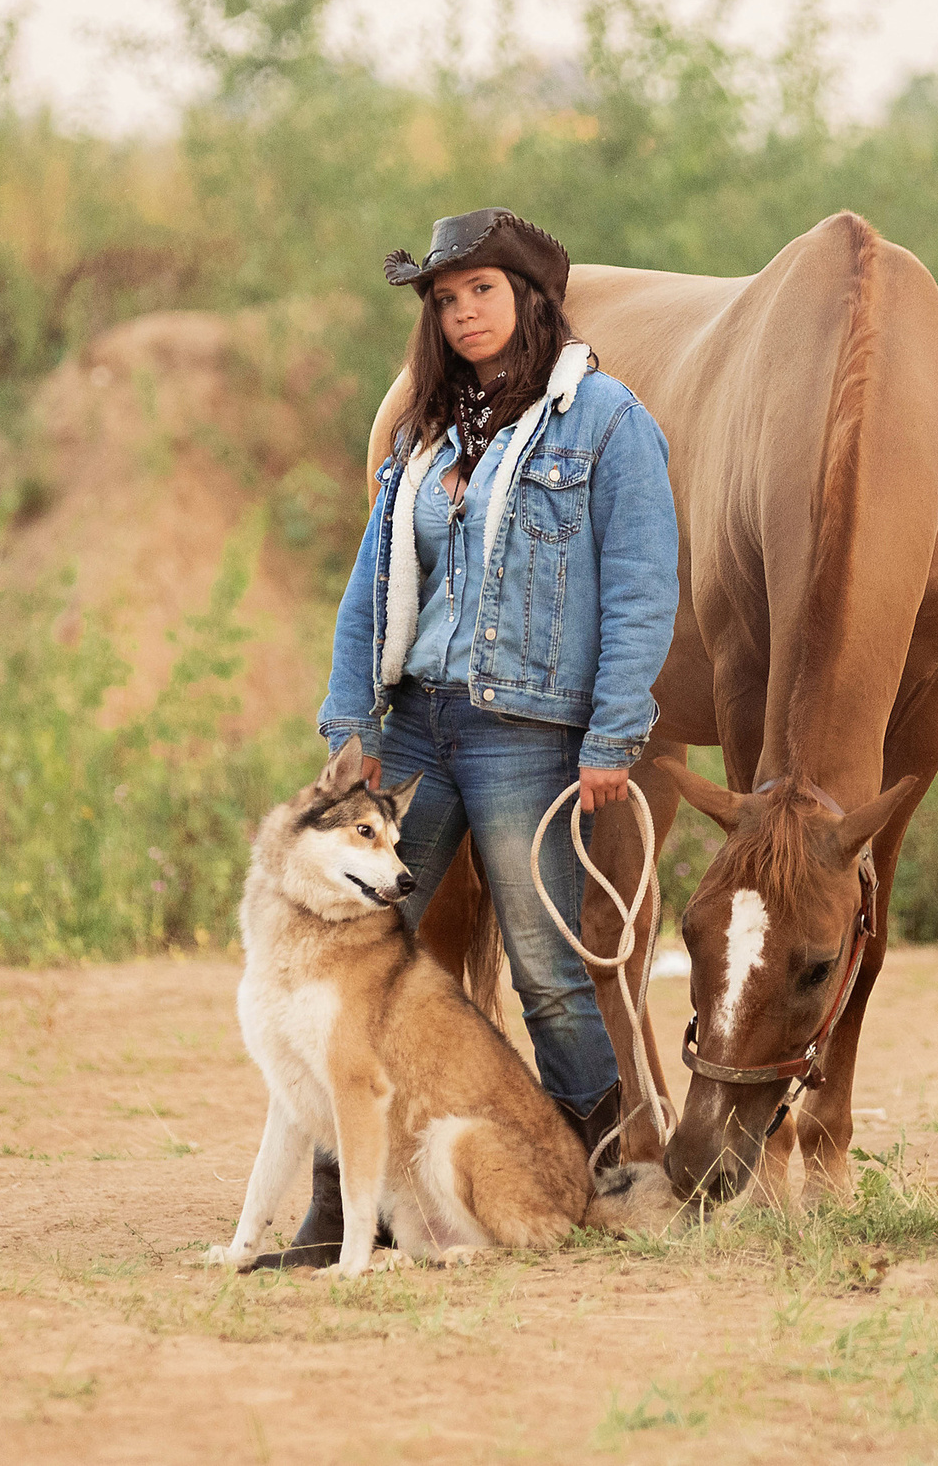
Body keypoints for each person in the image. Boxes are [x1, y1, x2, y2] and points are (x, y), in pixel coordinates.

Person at [271, 208, 680, 1269]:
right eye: (446, 300)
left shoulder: (607, 423)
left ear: (531, 298)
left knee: (548, 968)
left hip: (524, 730)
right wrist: (351, 723)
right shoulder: (428, 434)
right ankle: (339, 1206)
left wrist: (613, 733)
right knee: (352, 949)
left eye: (481, 292)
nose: (461, 314)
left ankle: (590, 1184)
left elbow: (642, 588)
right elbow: (371, 586)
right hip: (416, 723)